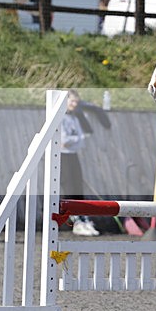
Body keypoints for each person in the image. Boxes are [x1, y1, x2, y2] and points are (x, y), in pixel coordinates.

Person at [61, 89, 99, 236]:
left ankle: (83, 219)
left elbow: (79, 140)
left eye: (76, 101)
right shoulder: (61, 118)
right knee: (69, 187)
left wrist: (76, 140)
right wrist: (77, 139)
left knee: (78, 187)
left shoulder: (75, 118)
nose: (74, 104)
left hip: (73, 154)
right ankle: (74, 220)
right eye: (72, 101)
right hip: (63, 156)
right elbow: (63, 141)